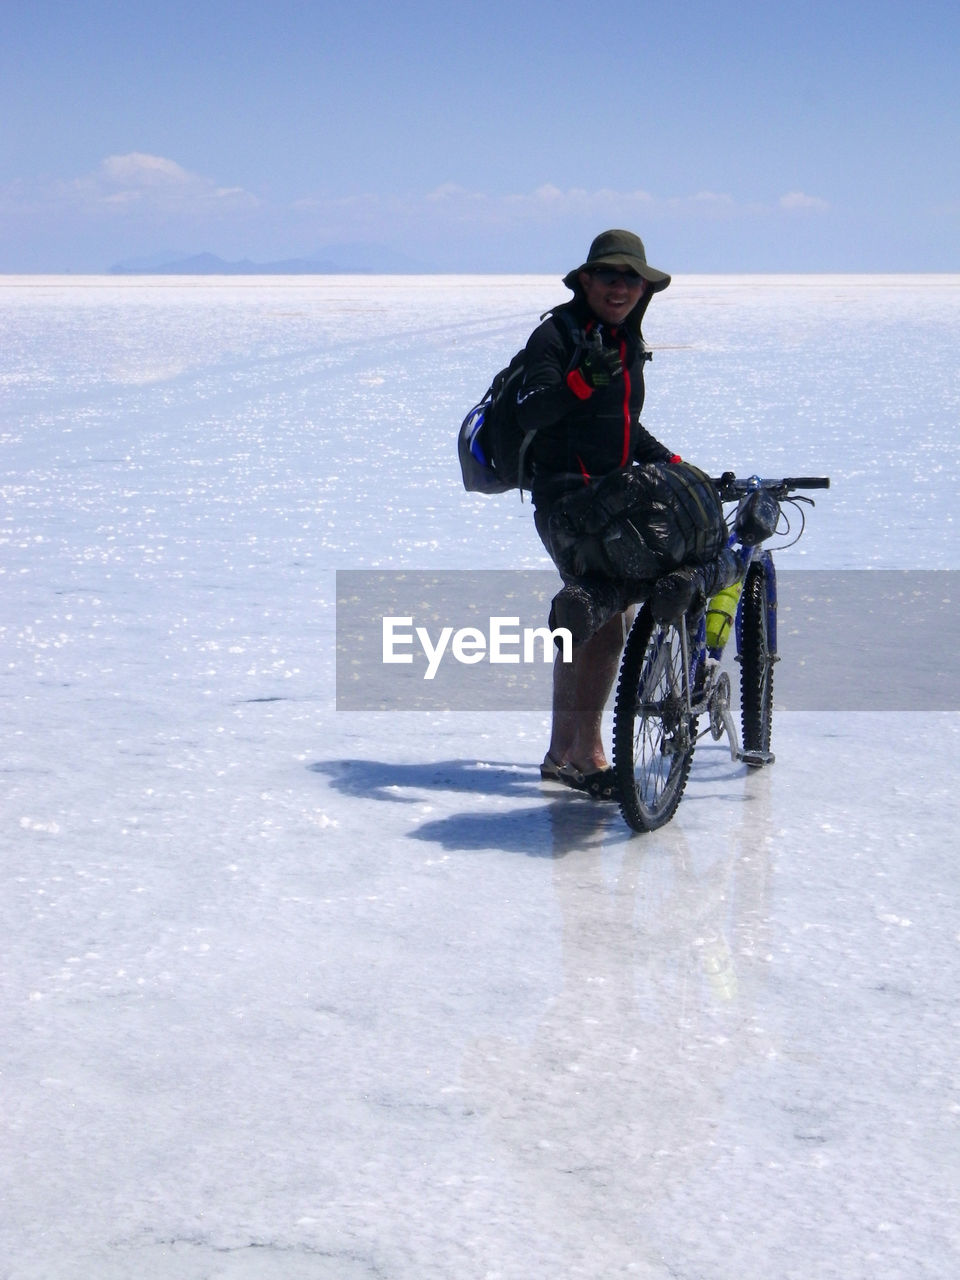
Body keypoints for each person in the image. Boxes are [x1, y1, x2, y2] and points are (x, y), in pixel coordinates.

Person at [515, 229, 680, 801]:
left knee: (596, 617)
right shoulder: (556, 335)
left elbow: (623, 429)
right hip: (564, 501)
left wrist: (674, 463)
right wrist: (580, 382)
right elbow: (532, 407)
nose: (621, 286)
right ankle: (580, 756)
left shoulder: (625, 342)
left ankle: (568, 752)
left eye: (631, 277)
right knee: (606, 621)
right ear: (585, 280)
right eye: (609, 275)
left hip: (611, 498)